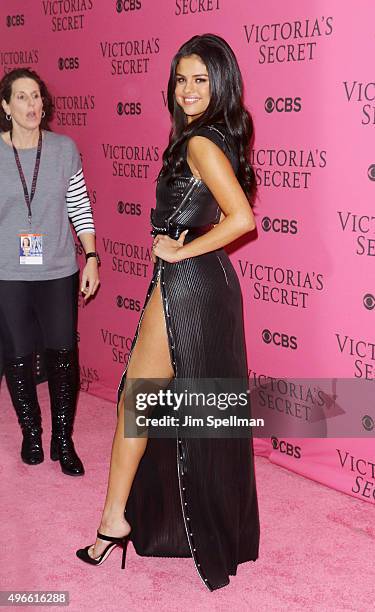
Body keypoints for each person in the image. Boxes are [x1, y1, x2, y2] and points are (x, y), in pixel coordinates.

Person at [77, 33, 260, 589]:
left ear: (221, 84)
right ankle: (128, 519)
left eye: (201, 80)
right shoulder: (202, 138)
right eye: (181, 79)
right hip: (195, 282)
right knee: (170, 407)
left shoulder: (202, 144)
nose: (187, 90)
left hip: (190, 283)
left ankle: (114, 522)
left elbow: (242, 219)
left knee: (138, 401)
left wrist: (181, 249)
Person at [0, 68, 100, 476]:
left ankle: (63, 437)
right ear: (5, 106)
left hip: (58, 268)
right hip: (8, 272)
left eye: (36, 96)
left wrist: (91, 256)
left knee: (63, 353)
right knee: (19, 355)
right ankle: (31, 432)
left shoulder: (63, 149)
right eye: (21, 97)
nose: (31, 105)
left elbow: (79, 206)